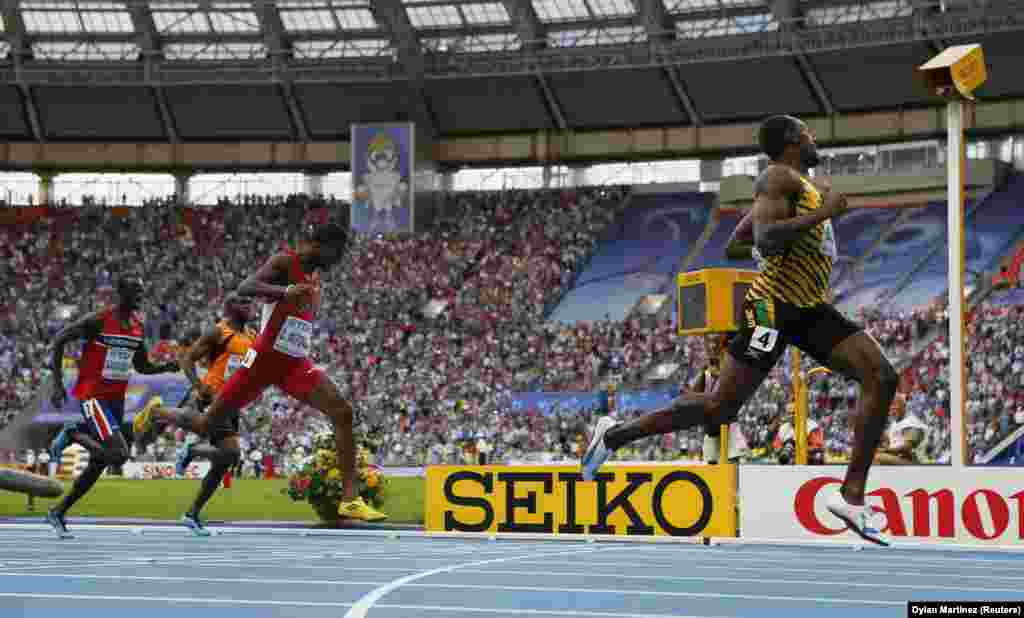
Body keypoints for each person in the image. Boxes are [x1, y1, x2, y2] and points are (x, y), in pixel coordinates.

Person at [580, 114, 899, 546]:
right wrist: (821, 215)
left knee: (881, 376)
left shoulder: (800, 187)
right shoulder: (776, 177)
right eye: (807, 134)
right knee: (718, 409)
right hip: (771, 309)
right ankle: (614, 435)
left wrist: (796, 229)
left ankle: (852, 499)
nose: (813, 140)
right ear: (790, 142)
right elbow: (764, 239)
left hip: (808, 309)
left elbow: (738, 243)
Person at [135, 223, 386, 521]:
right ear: (321, 245)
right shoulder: (285, 262)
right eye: (338, 252)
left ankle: (350, 499)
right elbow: (245, 287)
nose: (339, 260)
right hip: (262, 362)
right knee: (205, 425)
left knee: (342, 412)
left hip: (295, 363)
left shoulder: (315, 276)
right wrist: (285, 291)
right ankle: (158, 413)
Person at [45, 276, 180, 539]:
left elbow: (142, 366)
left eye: (142, 292)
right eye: (135, 292)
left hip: (116, 401)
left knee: (99, 463)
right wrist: (57, 384)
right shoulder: (97, 320)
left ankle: (58, 512)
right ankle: (73, 433)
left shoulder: (138, 327)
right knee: (118, 454)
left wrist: (166, 367)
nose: (140, 297)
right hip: (93, 396)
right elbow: (60, 339)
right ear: (121, 293)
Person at [135, 295, 258, 536]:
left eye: (250, 303)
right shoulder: (218, 332)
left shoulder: (253, 336)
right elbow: (187, 358)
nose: (249, 307)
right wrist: (199, 385)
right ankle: (166, 421)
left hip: (233, 401)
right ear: (230, 309)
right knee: (231, 453)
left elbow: (248, 369)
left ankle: (192, 514)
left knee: (224, 461)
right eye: (243, 303)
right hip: (214, 395)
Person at [691, 333, 749, 464]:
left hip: (729, 426)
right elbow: (693, 396)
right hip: (711, 428)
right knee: (711, 463)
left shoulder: (732, 373)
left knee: (733, 461)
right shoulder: (704, 376)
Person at [874, 393, 927, 465]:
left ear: (903, 406)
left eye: (894, 405)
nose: (891, 408)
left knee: (877, 457)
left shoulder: (911, 423)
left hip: (913, 461)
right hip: (899, 458)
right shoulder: (895, 422)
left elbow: (906, 447)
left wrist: (886, 450)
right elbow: (890, 440)